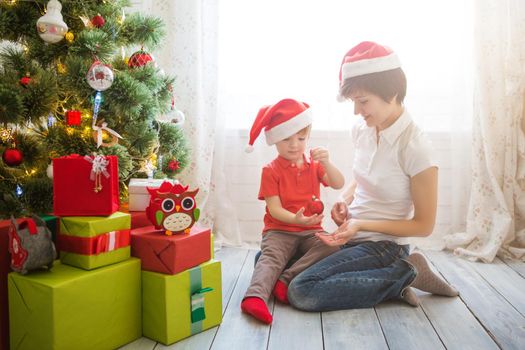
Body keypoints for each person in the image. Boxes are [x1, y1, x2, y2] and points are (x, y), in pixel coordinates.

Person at [287, 41, 459, 311]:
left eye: (363, 101)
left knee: (301, 290)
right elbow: (367, 177)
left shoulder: (416, 148)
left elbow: (424, 225)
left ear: (391, 92)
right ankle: (391, 283)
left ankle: (405, 272)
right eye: (354, 102)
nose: (357, 111)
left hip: (384, 246)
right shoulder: (363, 129)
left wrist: (361, 224)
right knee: (272, 259)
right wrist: (345, 199)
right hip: (352, 236)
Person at [241, 98, 345, 324]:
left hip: (310, 231)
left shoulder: (314, 165)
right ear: (275, 139)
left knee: (334, 245)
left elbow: (338, 183)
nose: (294, 144)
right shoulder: (270, 170)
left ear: (308, 137)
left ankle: (285, 280)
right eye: (286, 138)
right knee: (271, 257)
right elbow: (275, 209)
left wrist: (328, 163)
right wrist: (296, 219)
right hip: (280, 230)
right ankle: (255, 298)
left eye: (300, 138)